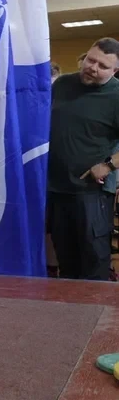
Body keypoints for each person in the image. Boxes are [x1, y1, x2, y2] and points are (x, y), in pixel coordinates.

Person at [47, 37, 119, 281]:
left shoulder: (116, 96)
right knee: (65, 259)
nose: (92, 68)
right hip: (57, 188)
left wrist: (108, 165)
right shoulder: (63, 84)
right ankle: (69, 306)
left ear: (114, 71)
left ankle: (96, 306)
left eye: (102, 66)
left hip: (91, 193)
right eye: (90, 60)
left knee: (93, 260)